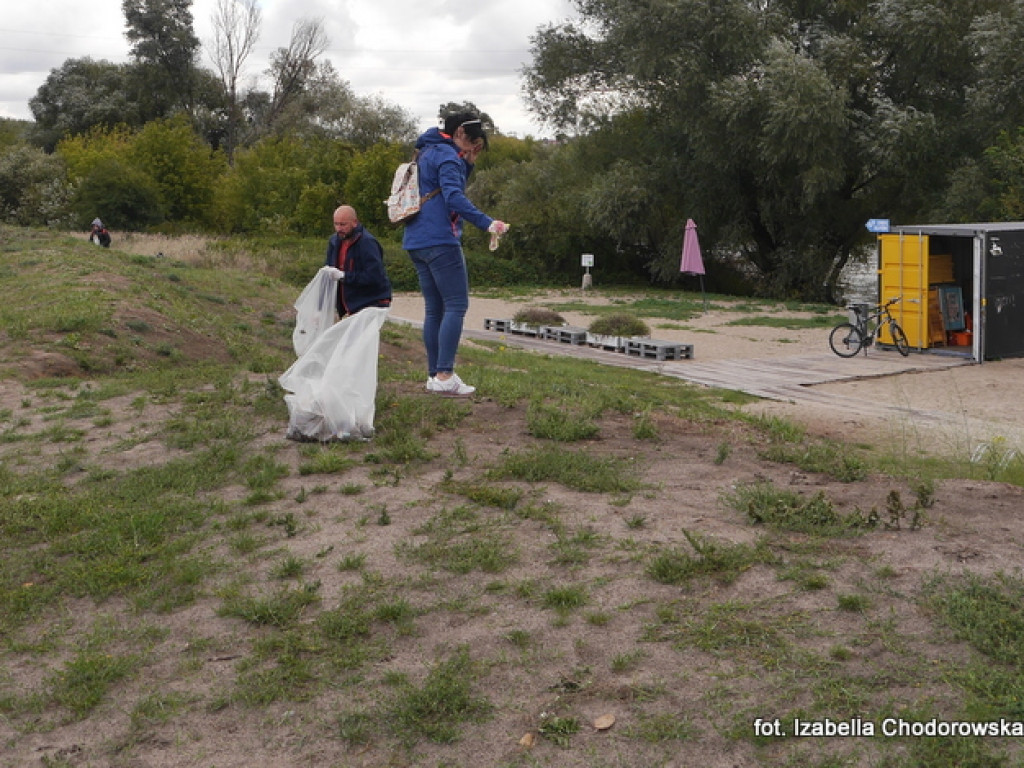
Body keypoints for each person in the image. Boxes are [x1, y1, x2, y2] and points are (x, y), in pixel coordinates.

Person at [402, 112, 509, 397]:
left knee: (434, 309)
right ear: (460, 132)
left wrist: (468, 164)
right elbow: (453, 196)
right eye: (473, 142)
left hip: (416, 239)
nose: (472, 149)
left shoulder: (426, 151)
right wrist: (488, 223)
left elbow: (443, 186)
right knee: (456, 305)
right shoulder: (449, 156)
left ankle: (434, 376)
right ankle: (446, 374)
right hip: (440, 240)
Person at [323, 205, 392, 317]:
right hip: (348, 304)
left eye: (343, 224)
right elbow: (328, 270)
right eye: (336, 224)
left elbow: (374, 276)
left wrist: (344, 276)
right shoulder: (334, 241)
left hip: (370, 302)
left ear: (354, 222)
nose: (339, 228)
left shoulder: (367, 243)